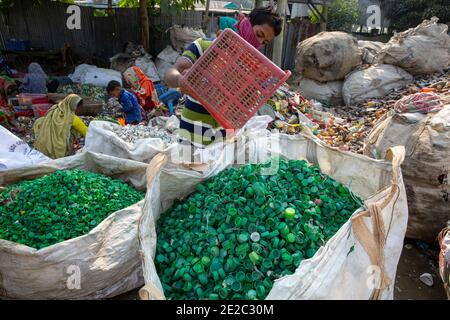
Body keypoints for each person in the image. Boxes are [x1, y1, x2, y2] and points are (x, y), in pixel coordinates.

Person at [165, 6, 282, 147]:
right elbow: (172, 73)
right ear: (246, 23)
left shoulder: (253, 70)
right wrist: (179, 80)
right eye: (259, 34)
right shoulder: (206, 46)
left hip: (222, 143)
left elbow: (242, 108)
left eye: (265, 42)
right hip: (190, 137)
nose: (259, 43)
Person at [33, 94, 88, 159]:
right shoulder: (72, 118)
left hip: (42, 147)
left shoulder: (54, 110)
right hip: (59, 150)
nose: (81, 110)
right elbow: (87, 132)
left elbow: (40, 121)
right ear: (74, 107)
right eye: (80, 107)